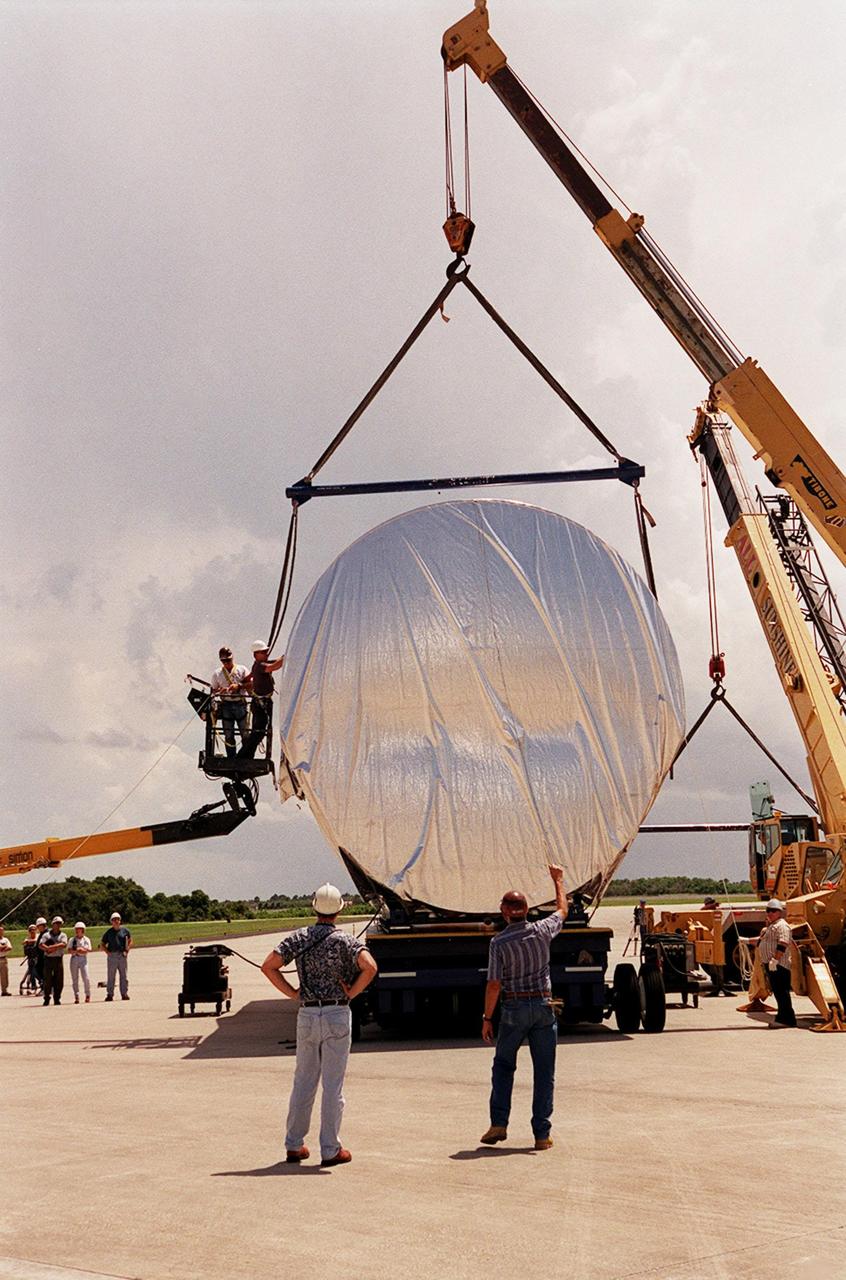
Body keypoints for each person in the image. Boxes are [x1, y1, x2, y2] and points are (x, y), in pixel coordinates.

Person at [261, 882, 377, 1167]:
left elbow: (269, 965)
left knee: (303, 1081)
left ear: (314, 907)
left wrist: (293, 993)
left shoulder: (298, 937)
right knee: (332, 1084)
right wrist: (351, 992)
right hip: (337, 1013)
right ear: (338, 910)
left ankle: (294, 1143)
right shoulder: (345, 941)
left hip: (308, 1015)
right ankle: (330, 1148)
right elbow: (370, 966)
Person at [480, 863, 569, 1151]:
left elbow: (494, 984)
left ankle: (499, 1123)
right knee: (544, 1072)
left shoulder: (499, 942)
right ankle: (541, 1135)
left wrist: (486, 1017)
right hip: (543, 1006)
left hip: (514, 1009)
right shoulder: (543, 930)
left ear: (504, 912)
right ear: (528, 909)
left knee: (504, 1065)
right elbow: (562, 910)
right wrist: (558, 880)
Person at [746, 899, 797, 1028]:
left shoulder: (782, 926)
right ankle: (782, 1017)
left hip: (779, 965)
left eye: (773, 911)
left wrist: (775, 960)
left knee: (782, 992)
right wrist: (746, 940)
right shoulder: (771, 926)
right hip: (772, 965)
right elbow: (761, 941)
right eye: (768, 910)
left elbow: (783, 943)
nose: (770, 913)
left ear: (780, 912)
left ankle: (787, 1019)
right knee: (778, 992)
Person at [238, 641, 284, 759]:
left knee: (258, 731)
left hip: (262, 704)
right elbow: (274, 666)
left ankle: (246, 755)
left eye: (266, 652)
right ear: (255, 655)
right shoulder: (260, 666)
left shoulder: (259, 665)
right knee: (259, 732)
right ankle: (242, 755)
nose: (266, 654)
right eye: (263, 652)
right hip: (260, 704)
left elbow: (273, 662)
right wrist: (287, 657)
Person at [210, 645, 250, 758]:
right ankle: (231, 757)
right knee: (228, 734)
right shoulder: (217, 673)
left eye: (228, 660)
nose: (227, 662)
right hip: (226, 705)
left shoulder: (242, 669)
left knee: (245, 734)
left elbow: (251, 683)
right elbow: (213, 690)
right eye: (224, 660)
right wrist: (220, 690)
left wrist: (238, 686)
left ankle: (245, 756)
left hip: (240, 703)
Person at [100, 912, 132, 1000]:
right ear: (111, 922)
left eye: (117, 919)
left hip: (122, 955)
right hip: (112, 955)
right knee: (111, 976)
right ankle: (110, 994)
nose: (116, 921)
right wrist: (107, 952)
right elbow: (102, 943)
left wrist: (127, 949)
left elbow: (130, 940)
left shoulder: (125, 931)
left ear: (120, 921)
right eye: (114, 920)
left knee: (124, 975)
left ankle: (124, 993)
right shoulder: (108, 932)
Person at [40, 917, 68, 1005]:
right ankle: (46, 998)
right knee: (47, 980)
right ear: (53, 924)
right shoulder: (46, 935)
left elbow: (64, 944)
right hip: (48, 959)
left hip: (58, 959)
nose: (58, 925)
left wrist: (51, 947)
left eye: (59, 923)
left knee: (59, 980)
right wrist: (47, 949)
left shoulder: (63, 935)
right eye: (56, 923)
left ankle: (57, 998)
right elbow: (41, 945)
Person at [68, 922, 92, 1004]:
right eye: (77, 929)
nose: (78, 931)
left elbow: (89, 949)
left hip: (83, 958)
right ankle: (76, 995)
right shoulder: (72, 939)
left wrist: (82, 950)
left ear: (83, 930)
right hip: (75, 958)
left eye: (80, 929)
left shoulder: (86, 939)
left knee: (86, 977)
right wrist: (76, 950)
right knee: (75, 978)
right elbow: (69, 950)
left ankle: (87, 994)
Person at [22, 924, 41, 993]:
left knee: (35, 971)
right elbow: (23, 943)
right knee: (31, 971)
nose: (32, 931)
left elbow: (37, 941)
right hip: (31, 958)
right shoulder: (27, 938)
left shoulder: (38, 937)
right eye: (31, 930)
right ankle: (33, 985)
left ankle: (41, 982)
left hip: (38, 957)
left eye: (34, 930)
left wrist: (28, 942)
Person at [34, 917, 48, 989]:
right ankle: (43, 984)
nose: (38, 928)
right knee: (36, 970)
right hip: (40, 956)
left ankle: (45, 986)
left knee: (40, 972)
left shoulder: (47, 934)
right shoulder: (41, 933)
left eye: (38, 926)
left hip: (44, 956)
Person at [0, 924, 11, 996]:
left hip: (4, 959)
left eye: (1, 931)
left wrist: (2, 948)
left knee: (4, 976)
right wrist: (4, 947)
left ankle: (4, 991)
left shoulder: (5, 939)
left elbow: (10, 947)